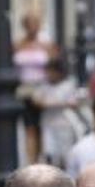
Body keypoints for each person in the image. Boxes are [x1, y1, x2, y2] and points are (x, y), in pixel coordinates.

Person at [14, 11, 60, 164]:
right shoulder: (18, 44)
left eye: (35, 23)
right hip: (24, 90)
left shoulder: (47, 45)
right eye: (29, 23)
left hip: (43, 89)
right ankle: (31, 161)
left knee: (43, 126)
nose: (32, 27)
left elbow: (56, 67)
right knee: (29, 127)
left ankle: (41, 158)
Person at [33, 59, 81, 168]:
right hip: (48, 123)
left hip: (64, 124)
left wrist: (52, 103)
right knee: (49, 152)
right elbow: (37, 101)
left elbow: (74, 103)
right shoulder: (44, 85)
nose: (49, 75)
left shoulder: (68, 84)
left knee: (65, 153)